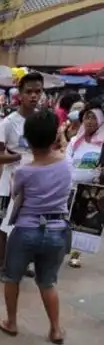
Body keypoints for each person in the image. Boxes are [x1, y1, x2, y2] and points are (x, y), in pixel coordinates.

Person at [0, 109, 71, 345]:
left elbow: (16, 193)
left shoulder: (24, 171)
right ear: (53, 136)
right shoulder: (66, 164)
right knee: (48, 281)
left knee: (11, 277)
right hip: (57, 229)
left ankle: (11, 322)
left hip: (26, 229)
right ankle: (56, 329)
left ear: (27, 139)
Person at [0, 71, 44, 280]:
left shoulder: (42, 120)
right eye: (29, 91)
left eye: (37, 91)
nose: (33, 96)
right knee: (3, 227)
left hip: (36, 184)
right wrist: (15, 159)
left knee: (28, 227)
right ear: (19, 94)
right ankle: (3, 268)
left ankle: (21, 264)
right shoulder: (9, 122)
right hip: (9, 186)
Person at [64, 100, 104, 268]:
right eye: (87, 117)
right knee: (64, 221)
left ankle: (75, 254)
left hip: (90, 192)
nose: (89, 121)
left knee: (81, 224)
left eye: (94, 118)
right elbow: (67, 161)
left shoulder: (102, 145)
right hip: (70, 187)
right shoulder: (74, 142)